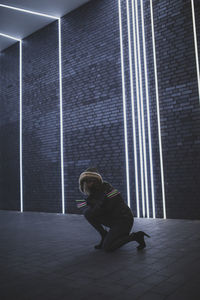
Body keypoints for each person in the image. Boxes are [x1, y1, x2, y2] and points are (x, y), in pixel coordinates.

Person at [77, 167, 150, 252]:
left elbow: (105, 208)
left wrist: (92, 205)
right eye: (85, 181)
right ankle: (104, 235)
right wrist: (89, 204)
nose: (87, 184)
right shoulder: (94, 192)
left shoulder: (111, 191)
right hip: (112, 218)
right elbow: (86, 206)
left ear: (96, 181)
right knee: (87, 213)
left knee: (108, 247)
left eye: (90, 181)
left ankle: (136, 236)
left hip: (123, 220)